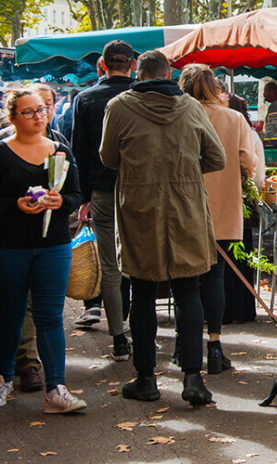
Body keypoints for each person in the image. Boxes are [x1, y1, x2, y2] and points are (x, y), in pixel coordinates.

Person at [100, 51, 226, 405]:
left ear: (138, 75)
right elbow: (217, 158)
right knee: (189, 291)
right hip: (186, 207)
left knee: (141, 293)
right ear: (170, 73)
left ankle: (145, 379)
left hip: (140, 209)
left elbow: (108, 158)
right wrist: (185, 167)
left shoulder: (119, 107)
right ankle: (193, 379)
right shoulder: (190, 107)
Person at [0, 87, 87, 413]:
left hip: (53, 246)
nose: (39, 117)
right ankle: (4, 379)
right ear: (13, 117)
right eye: (29, 112)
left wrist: (60, 201)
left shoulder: (59, 150)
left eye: (41, 110)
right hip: (10, 246)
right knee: (10, 315)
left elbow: (76, 195)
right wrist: (16, 205)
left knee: (50, 317)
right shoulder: (3, 153)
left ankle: (56, 390)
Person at [178, 64, 260, 375]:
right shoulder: (234, 118)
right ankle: (214, 346)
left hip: (185, 208)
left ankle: (183, 346)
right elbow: (247, 161)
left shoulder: (179, 114)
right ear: (215, 86)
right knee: (215, 277)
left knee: (185, 281)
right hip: (224, 205)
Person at [71, 41, 135, 363]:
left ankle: (119, 339)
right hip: (142, 191)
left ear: (102, 66)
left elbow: (79, 153)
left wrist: (82, 198)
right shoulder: (143, 95)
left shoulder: (84, 99)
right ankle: (142, 329)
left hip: (102, 191)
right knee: (141, 261)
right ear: (132, 65)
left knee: (110, 265)